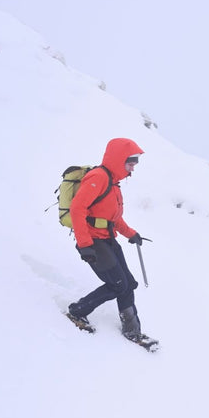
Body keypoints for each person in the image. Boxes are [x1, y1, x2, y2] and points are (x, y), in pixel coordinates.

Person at [66, 137, 147, 339]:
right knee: (117, 284)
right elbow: (77, 209)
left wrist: (132, 234)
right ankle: (77, 311)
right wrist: (85, 245)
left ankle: (132, 330)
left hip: (108, 239)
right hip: (93, 241)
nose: (132, 169)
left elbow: (114, 219)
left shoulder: (113, 184)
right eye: (130, 163)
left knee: (127, 283)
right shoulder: (98, 177)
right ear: (119, 160)